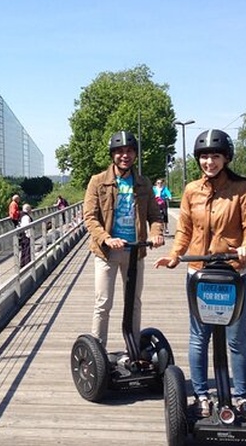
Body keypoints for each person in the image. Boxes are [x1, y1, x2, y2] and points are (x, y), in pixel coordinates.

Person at [154, 129, 246, 420]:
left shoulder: (242, 188)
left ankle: (241, 397)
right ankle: (201, 395)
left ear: (226, 158)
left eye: (215, 156)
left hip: (233, 272)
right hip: (199, 271)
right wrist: (175, 255)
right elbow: (185, 229)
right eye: (204, 156)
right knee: (198, 337)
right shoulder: (192, 190)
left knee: (236, 338)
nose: (209, 162)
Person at [83, 130, 165, 350]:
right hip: (106, 252)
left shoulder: (143, 183)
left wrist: (157, 233)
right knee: (103, 303)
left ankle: (134, 348)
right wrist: (106, 238)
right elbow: (90, 218)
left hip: (135, 250)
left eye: (129, 151)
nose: (124, 155)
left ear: (135, 155)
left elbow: (155, 216)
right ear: (113, 155)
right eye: (119, 151)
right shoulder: (98, 182)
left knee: (134, 303)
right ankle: (97, 353)